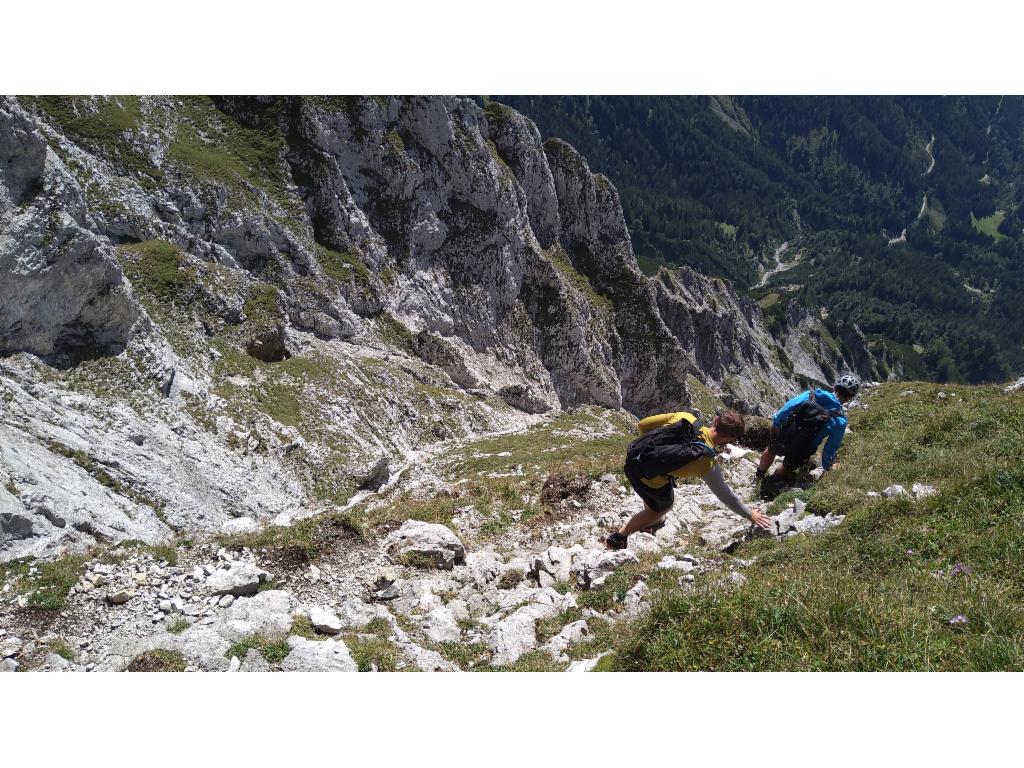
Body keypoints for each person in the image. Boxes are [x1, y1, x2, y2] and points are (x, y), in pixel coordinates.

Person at [605, 409, 771, 550]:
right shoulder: (706, 462)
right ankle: (619, 536)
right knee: (663, 507)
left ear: (715, 420)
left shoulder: (685, 418)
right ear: (729, 439)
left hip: (632, 458)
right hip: (649, 479)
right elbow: (725, 495)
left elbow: (643, 425)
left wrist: (651, 451)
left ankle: (648, 519)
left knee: (656, 497)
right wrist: (750, 515)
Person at [756, 374, 861, 484]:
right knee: (785, 467)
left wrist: (776, 423)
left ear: (834, 386)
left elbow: (788, 407)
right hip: (804, 448)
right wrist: (826, 467)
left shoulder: (812, 395)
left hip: (788, 433)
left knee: (771, 451)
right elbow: (830, 448)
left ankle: (759, 476)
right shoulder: (840, 420)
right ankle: (769, 485)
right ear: (850, 397)